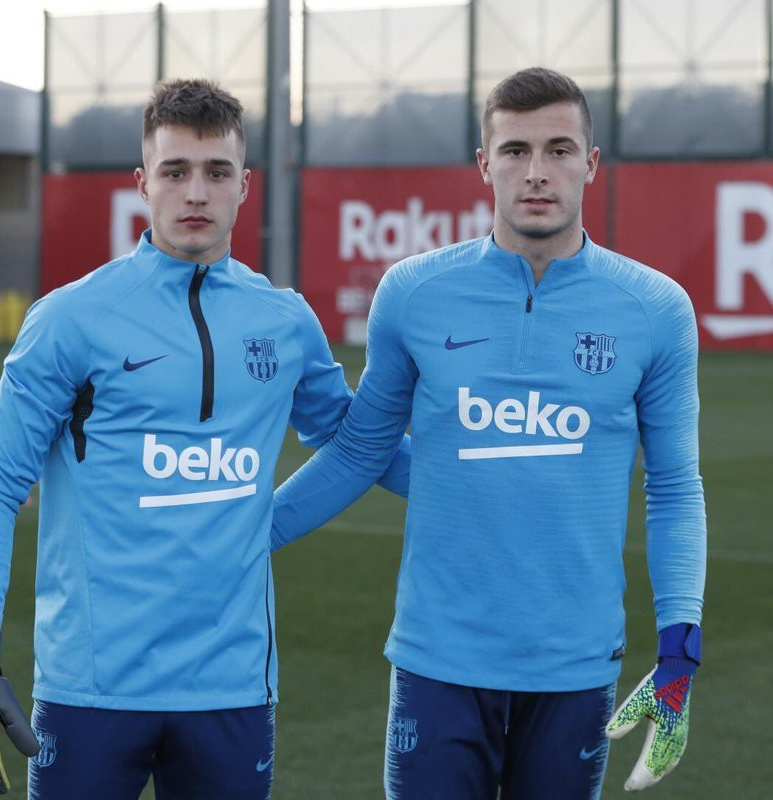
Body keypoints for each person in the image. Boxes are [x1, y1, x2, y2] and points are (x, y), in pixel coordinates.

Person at [0, 78, 408, 800]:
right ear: (142, 183)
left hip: (233, 686)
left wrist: (467, 472)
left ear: (244, 185)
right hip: (92, 687)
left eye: (216, 172)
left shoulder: (285, 321)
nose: (196, 192)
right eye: (175, 171)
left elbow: (355, 442)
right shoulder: (71, 317)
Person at [270, 67, 707, 799]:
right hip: (438, 660)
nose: (537, 172)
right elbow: (359, 450)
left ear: (592, 164)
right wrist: (243, 534)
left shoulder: (657, 310)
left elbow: (674, 488)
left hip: (575, 665)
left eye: (560, 150)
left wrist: (681, 641)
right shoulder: (413, 293)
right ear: (484, 165)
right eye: (515, 151)